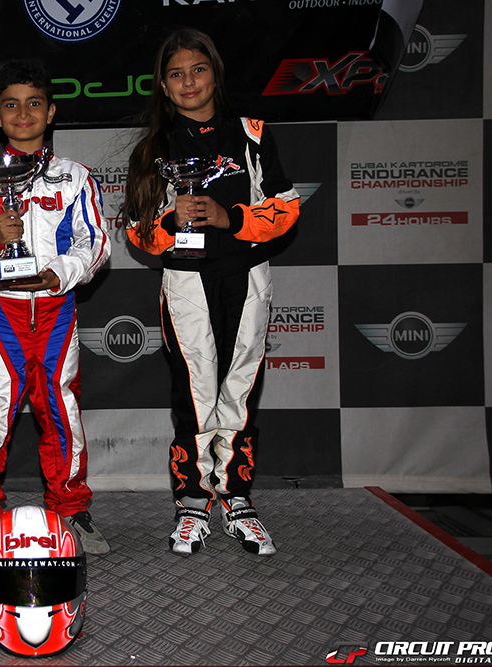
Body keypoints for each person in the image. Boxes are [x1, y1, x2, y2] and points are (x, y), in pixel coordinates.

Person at [122, 28, 300, 557]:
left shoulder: (252, 134)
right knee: (196, 395)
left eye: (197, 69)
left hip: (247, 274)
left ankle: (237, 498)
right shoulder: (153, 149)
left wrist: (232, 218)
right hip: (186, 282)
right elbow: (137, 232)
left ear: (214, 74)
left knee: (240, 390)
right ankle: (193, 501)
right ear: (163, 85)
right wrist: (169, 222)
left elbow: (287, 207)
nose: (188, 82)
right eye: (176, 74)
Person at [0, 59, 112, 565]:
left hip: (57, 311)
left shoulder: (76, 177)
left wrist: (59, 272)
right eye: (12, 105)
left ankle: (70, 508)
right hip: (2, 314)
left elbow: (97, 244)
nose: (23, 114)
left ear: (51, 112)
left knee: (62, 414)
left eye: (34, 103)